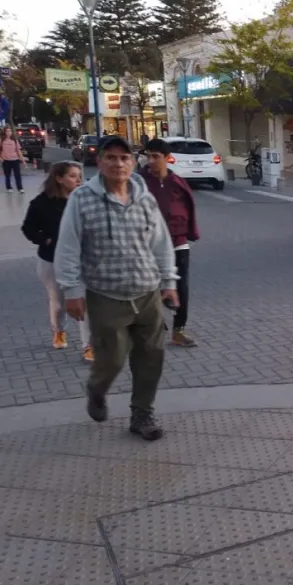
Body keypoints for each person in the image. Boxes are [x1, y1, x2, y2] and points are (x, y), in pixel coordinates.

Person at [54, 135, 179, 441]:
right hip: (106, 295)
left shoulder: (144, 197)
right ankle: (97, 390)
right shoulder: (82, 198)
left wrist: (169, 282)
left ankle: (142, 415)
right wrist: (72, 290)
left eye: (124, 158)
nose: (118, 163)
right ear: (99, 163)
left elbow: (161, 243)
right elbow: (68, 246)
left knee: (151, 358)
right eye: (111, 157)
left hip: (147, 292)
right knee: (111, 360)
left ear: (132, 162)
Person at [21, 162, 94, 361]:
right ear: (59, 178)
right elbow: (28, 228)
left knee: (84, 302)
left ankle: (89, 345)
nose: (78, 180)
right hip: (51, 260)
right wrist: (45, 239)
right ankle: (59, 330)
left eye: (79, 176)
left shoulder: (84, 200)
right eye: (72, 176)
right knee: (59, 303)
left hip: (81, 259)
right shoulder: (41, 203)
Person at [140, 137, 199, 347]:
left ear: (167, 158)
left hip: (178, 242)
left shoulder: (177, 182)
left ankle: (179, 330)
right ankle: (155, 323)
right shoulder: (139, 182)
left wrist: (189, 232)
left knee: (181, 287)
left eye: (156, 157)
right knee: (150, 288)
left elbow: (189, 208)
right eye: (148, 156)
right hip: (148, 245)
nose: (151, 161)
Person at [0, 126, 25, 192]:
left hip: (15, 160)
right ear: (4, 132)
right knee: (7, 175)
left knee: (18, 175)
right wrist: (0, 158)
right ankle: (9, 187)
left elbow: (18, 150)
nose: (8, 133)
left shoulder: (14, 140)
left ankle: (20, 188)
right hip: (6, 160)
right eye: (7, 131)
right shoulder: (1, 139)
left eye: (10, 131)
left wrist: (23, 160)